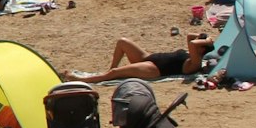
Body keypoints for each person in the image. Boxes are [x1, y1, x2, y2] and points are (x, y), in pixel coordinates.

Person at [71, 33, 215, 82]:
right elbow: (190, 36)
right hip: (148, 58)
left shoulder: (196, 62)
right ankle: (111, 69)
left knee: (115, 74)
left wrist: (206, 41)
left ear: (201, 49)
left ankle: (83, 80)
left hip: (154, 69)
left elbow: (192, 42)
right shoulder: (193, 52)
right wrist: (206, 38)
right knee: (122, 42)